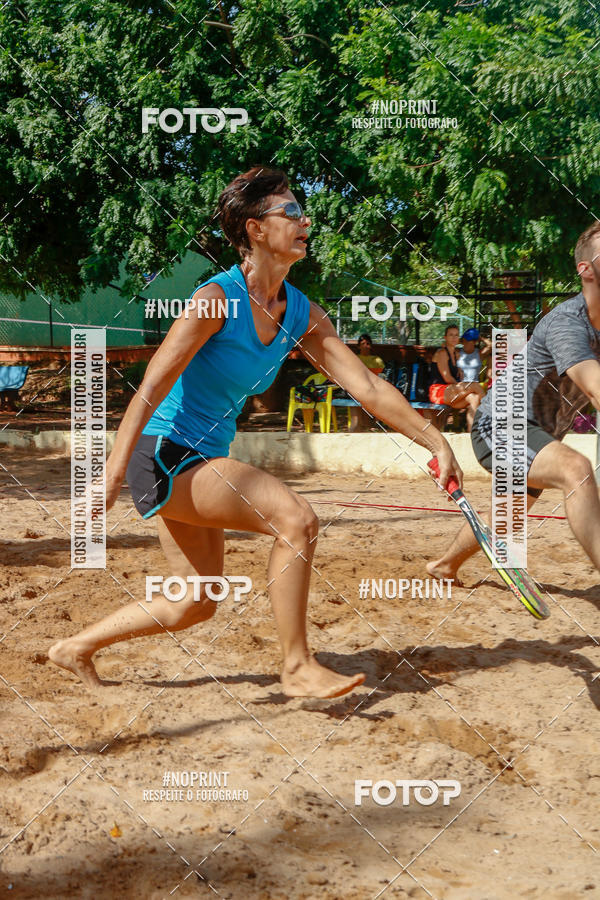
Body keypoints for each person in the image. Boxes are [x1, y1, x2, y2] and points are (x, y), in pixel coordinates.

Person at [49, 166, 462, 698]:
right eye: (289, 211)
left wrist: (436, 440)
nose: (304, 220)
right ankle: (296, 666)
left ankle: (74, 648)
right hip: (166, 455)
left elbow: (367, 387)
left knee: (196, 600)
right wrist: (110, 473)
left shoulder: (301, 312)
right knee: (296, 518)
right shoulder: (215, 299)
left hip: (200, 457)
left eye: (302, 211)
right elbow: (151, 384)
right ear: (255, 229)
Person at [428, 220, 600, 586]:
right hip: (500, 426)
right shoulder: (568, 323)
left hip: (540, 434)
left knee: (507, 512)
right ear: (585, 269)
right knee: (576, 470)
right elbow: (595, 388)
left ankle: (444, 565)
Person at [429, 324, 485, 432]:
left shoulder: (456, 354)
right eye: (451, 335)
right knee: (474, 385)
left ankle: (471, 434)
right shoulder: (442, 353)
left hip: (451, 393)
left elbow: (460, 375)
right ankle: (492, 416)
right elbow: (447, 378)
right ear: (445, 337)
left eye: (456, 335)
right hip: (438, 391)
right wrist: (462, 386)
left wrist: (462, 383)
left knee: (474, 398)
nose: (454, 338)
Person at [349, 333, 385, 432]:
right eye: (363, 343)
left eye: (368, 343)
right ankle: (358, 426)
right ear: (359, 346)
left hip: (373, 389)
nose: (365, 346)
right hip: (357, 389)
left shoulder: (377, 360)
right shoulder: (354, 358)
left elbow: (380, 376)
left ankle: (373, 424)